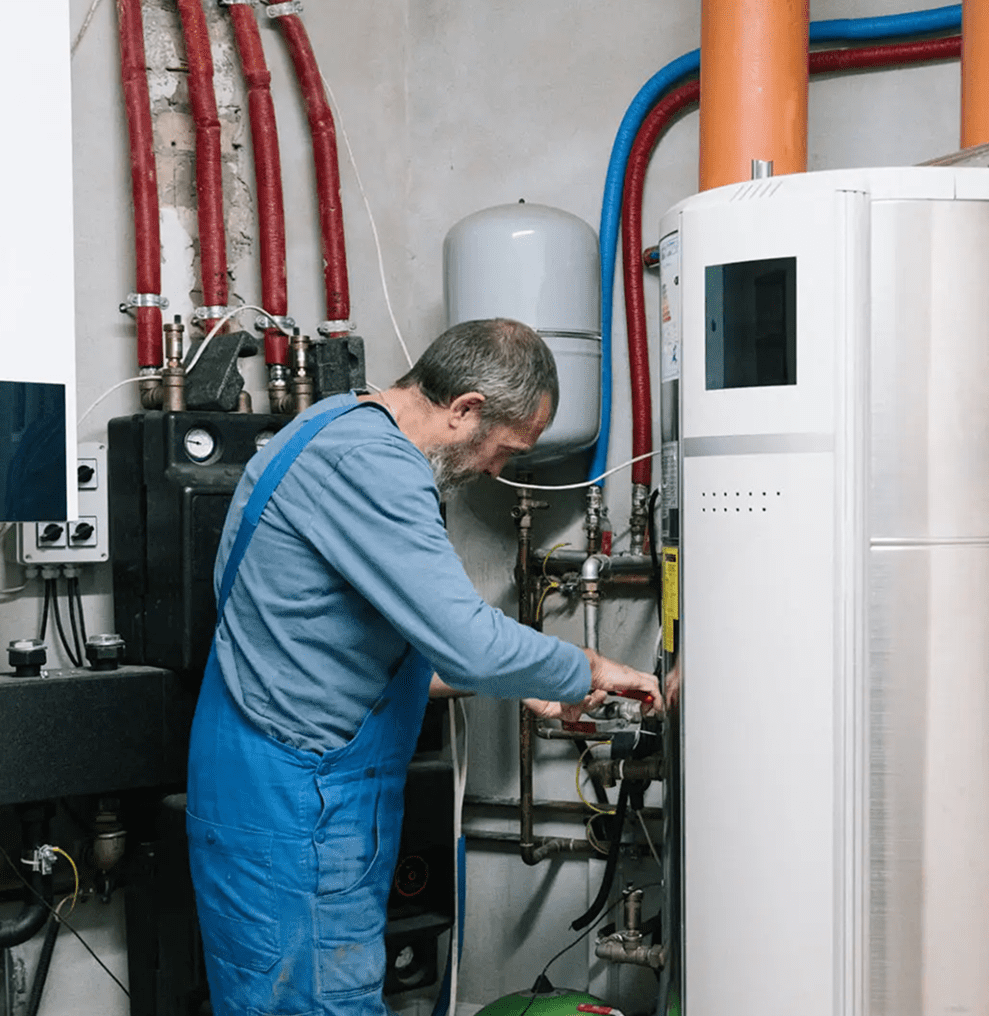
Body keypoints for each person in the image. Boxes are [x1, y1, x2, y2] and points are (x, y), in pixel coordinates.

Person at [186, 318, 661, 1016]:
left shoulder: (332, 424)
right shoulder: (375, 468)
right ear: (465, 409)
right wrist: (582, 666)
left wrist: (529, 689)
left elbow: (348, 642)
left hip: (280, 775)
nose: (496, 472)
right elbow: (466, 640)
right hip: (298, 796)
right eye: (503, 451)